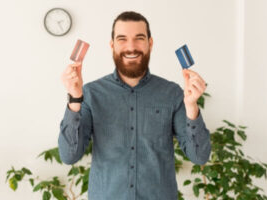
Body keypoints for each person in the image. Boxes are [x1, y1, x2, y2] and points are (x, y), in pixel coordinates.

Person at [59, 11, 211, 200]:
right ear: (112, 45)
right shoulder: (90, 93)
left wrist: (191, 106)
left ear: (150, 43)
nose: (131, 47)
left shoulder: (172, 93)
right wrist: (75, 98)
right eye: (122, 39)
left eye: (139, 38)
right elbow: (68, 156)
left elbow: (200, 156)